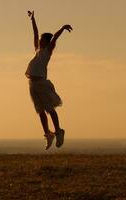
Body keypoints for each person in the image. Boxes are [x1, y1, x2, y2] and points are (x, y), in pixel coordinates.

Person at [25, 10, 73, 150]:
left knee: (49, 109)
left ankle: (58, 131)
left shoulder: (48, 50)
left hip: (42, 83)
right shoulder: (37, 50)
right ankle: (48, 133)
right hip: (32, 84)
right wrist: (32, 19)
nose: (39, 40)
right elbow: (35, 33)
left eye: (41, 39)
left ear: (46, 41)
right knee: (40, 111)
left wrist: (62, 28)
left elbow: (54, 38)